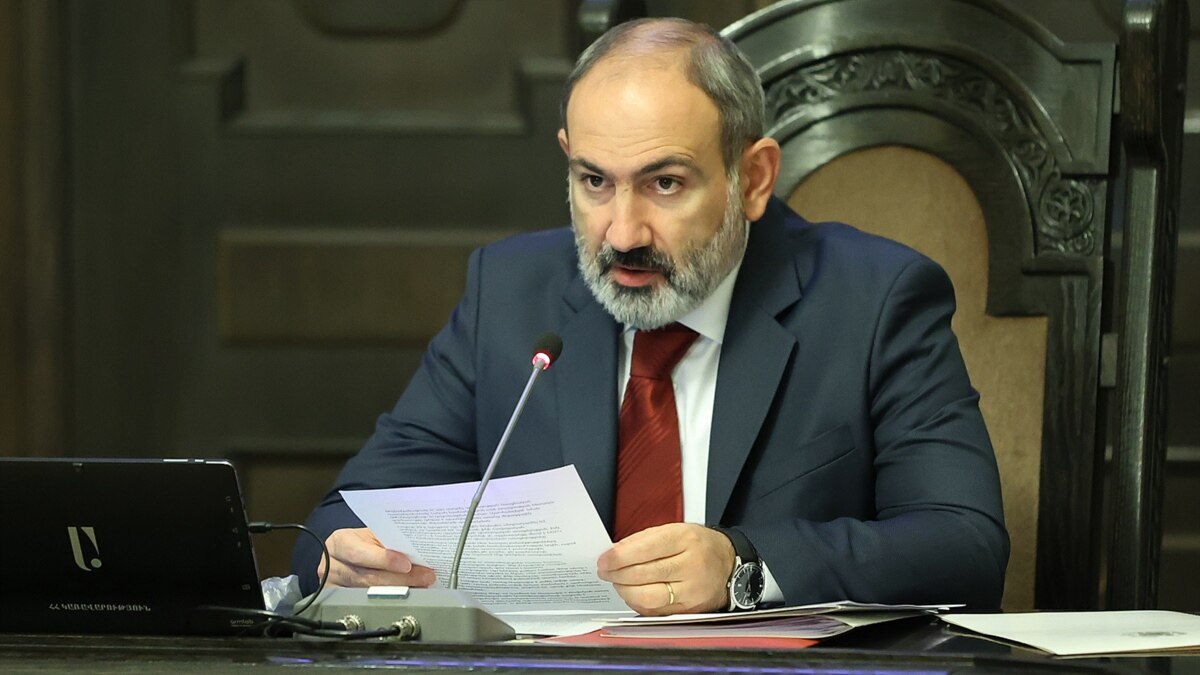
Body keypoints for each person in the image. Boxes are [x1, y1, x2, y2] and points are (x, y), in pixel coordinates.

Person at [292, 17, 1008, 614]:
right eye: (594, 181)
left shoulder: (875, 300)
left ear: (752, 178)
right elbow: (341, 517)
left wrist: (744, 566)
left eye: (665, 183)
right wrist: (343, 558)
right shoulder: (509, 294)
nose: (623, 232)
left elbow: (964, 545)